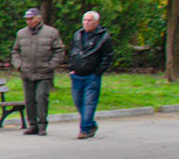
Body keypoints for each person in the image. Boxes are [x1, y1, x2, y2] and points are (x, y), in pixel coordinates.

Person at [11, 7, 64, 135]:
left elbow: (59, 50)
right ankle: (32, 125)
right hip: (27, 72)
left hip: (44, 72)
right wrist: (19, 65)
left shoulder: (51, 32)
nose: (29, 21)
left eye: (31, 19)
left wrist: (51, 65)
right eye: (27, 19)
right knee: (29, 100)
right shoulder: (21, 33)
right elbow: (15, 51)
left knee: (41, 98)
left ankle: (42, 125)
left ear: (39, 18)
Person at [68, 10, 113, 139]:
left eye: (90, 20)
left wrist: (98, 72)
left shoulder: (103, 37)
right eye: (85, 20)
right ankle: (91, 124)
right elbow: (73, 52)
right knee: (78, 102)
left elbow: (108, 56)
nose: (86, 23)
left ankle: (85, 129)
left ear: (96, 22)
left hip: (92, 76)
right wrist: (72, 68)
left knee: (89, 103)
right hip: (77, 74)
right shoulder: (78, 35)